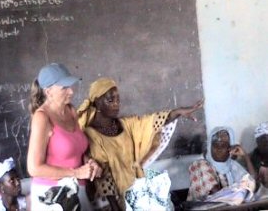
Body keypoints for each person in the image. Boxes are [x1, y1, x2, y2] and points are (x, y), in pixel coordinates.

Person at [77, 77, 203, 210]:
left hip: (137, 190)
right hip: (112, 200)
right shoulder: (92, 134)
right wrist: (117, 207)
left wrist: (178, 112)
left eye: (118, 99)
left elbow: (150, 122)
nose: (116, 104)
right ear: (97, 102)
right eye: (110, 100)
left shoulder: (126, 124)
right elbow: (104, 176)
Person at [27, 63, 102, 211]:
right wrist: (76, 172)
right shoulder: (42, 117)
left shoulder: (71, 110)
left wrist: (90, 163)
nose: (71, 91)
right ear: (49, 92)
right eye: (64, 88)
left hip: (77, 190)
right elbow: (34, 168)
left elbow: (76, 151)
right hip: (53, 198)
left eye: (71, 86)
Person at [187, 126, 256, 201]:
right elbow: (218, 195)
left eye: (223, 145)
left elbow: (253, 183)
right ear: (210, 146)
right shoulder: (199, 165)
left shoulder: (233, 166)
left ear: (230, 148)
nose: (218, 149)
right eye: (215, 144)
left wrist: (245, 156)